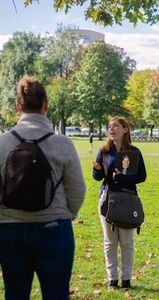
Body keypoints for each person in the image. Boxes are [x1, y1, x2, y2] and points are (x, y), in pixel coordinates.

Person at [0, 75, 86, 300]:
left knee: (15, 294)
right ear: (46, 105)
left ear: (18, 106)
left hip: (10, 230)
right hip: (54, 229)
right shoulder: (62, 144)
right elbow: (77, 190)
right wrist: (66, 213)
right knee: (56, 294)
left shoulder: (3, 143)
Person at [92, 116, 146, 290]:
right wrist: (96, 170)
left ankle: (127, 279)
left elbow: (142, 176)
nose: (111, 129)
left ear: (125, 129)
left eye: (115, 126)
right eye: (109, 126)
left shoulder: (134, 152)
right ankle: (112, 279)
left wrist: (122, 177)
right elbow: (97, 177)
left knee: (127, 242)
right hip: (107, 199)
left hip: (128, 200)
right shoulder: (104, 151)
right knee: (110, 242)